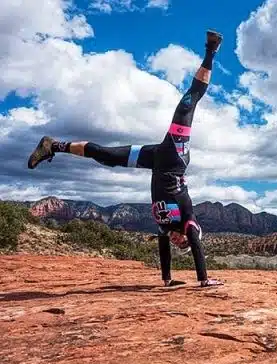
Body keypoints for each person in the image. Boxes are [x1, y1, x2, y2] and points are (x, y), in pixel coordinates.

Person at [27, 30, 225, 288]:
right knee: (187, 103)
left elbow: (163, 251)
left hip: (156, 158)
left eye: (179, 245)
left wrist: (167, 280)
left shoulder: (165, 228)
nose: (178, 242)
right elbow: (196, 241)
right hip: (175, 155)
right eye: (183, 242)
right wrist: (204, 279)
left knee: (106, 156)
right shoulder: (189, 222)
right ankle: (211, 50)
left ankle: (53, 146)